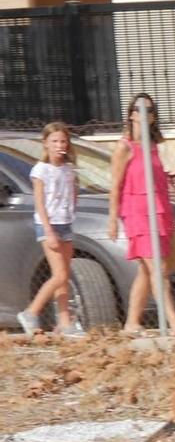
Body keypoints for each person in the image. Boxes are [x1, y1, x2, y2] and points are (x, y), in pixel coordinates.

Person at [107, 93, 175, 334]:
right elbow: (116, 184)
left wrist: (169, 178)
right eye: (140, 109)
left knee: (147, 270)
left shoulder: (152, 146)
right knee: (158, 269)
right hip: (137, 212)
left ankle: (131, 323)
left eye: (150, 110)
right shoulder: (124, 147)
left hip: (159, 208)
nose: (145, 114)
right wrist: (113, 219)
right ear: (131, 114)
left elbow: (148, 177)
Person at [19, 121, 83, 336]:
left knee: (63, 275)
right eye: (54, 141)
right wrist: (48, 231)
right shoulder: (41, 170)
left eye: (63, 141)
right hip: (49, 225)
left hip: (65, 222)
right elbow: (40, 202)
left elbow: (72, 194)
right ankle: (31, 311)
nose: (59, 145)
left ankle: (65, 321)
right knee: (60, 275)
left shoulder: (68, 169)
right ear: (45, 143)